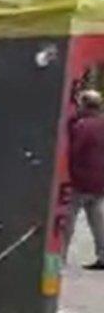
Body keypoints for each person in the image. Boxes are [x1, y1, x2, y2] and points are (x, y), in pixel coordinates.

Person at [67, 90, 104, 270]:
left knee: (67, 220)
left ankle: (57, 257)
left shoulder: (83, 126)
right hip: (100, 182)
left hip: (81, 180)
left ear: (84, 105)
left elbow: (74, 151)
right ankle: (103, 255)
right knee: (97, 220)